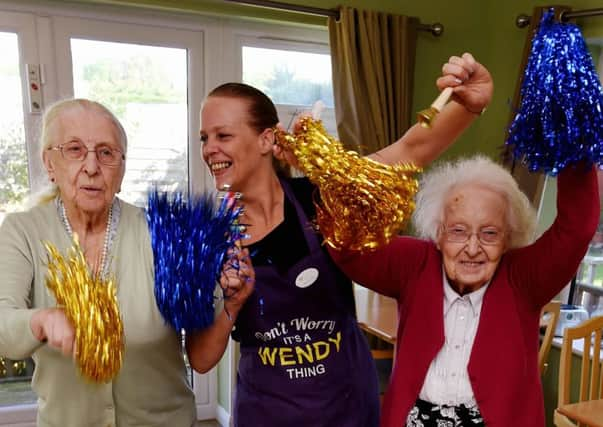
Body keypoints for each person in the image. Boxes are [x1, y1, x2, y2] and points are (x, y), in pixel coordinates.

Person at [186, 53, 493, 426]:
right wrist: (233, 304)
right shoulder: (208, 238)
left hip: (347, 408)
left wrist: (469, 104)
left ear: (266, 139)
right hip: (266, 415)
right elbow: (201, 359)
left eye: (223, 135)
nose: (209, 149)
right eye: (205, 138)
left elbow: (410, 150)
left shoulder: (324, 199)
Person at [329, 155, 599, 427]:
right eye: (458, 231)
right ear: (438, 232)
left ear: (508, 238)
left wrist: (571, 142)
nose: (472, 248)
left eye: (489, 233)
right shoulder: (416, 264)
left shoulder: (524, 278)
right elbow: (346, 247)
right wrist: (328, 167)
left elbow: (575, 230)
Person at [0, 99, 203, 426]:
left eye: (107, 153)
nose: (92, 167)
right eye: (75, 150)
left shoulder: (159, 231)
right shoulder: (22, 231)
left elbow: (202, 337)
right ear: (49, 164)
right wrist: (40, 320)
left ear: (121, 170)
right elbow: (3, 325)